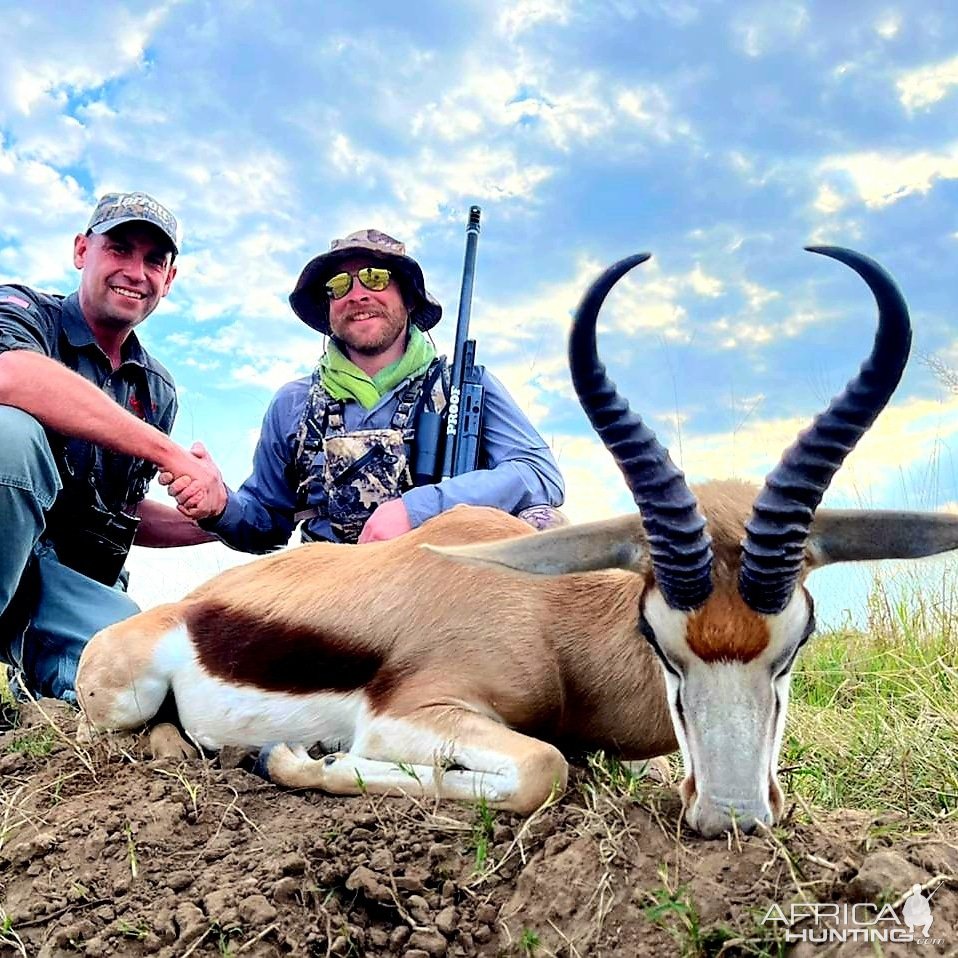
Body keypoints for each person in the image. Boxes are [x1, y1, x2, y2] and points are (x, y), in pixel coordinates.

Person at [167, 228, 565, 550]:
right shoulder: (293, 403)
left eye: (376, 278)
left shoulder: (462, 386)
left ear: (408, 298)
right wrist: (219, 505)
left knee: (545, 523)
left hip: (442, 586)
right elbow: (266, 523)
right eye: (339, 285)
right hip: (331, 600)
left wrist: (419, 509)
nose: (357, 294)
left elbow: (539, 475)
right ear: (328, 307)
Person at [0, 191, 221, 702]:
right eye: (119, 249)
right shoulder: (22, 309)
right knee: (11, 434)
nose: (135, 272)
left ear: (169, 281)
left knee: (144, 674)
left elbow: (123, 512)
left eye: (154, 261)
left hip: (63, 584)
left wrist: (222, 521)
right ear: (82, 251)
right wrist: (172, 456)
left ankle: (35, 668)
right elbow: (11, 376)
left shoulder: (156, 390)